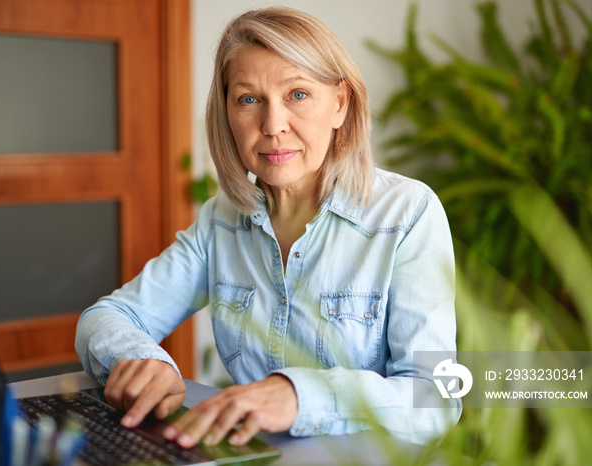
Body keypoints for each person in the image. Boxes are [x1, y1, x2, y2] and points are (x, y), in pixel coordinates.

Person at [75, 6, 460, 448]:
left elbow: (435, 397)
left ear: (339, 103)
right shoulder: (221, 221)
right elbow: (106, 317)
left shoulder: (408, 214)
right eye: (248, 99)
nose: (273, 125)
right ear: (227, 113)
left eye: (297, 94)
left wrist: (300, 397)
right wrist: (143, 359)